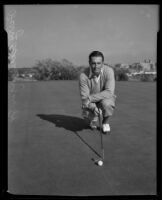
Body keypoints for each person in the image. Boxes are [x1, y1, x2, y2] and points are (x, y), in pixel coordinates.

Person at [79, 51, 116, 134]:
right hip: (91, 103)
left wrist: (90, 98)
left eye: (99, 63)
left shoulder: (109, 71)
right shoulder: (83, 76)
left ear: (103, 63)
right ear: (89, 63)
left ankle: (105, 122)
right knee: (88, 121)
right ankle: (93, 118)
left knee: (108, 104)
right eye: (93, 63)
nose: (96, 66)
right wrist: (93, 108)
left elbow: (109, 92)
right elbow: (85, 97)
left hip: (104, 99)